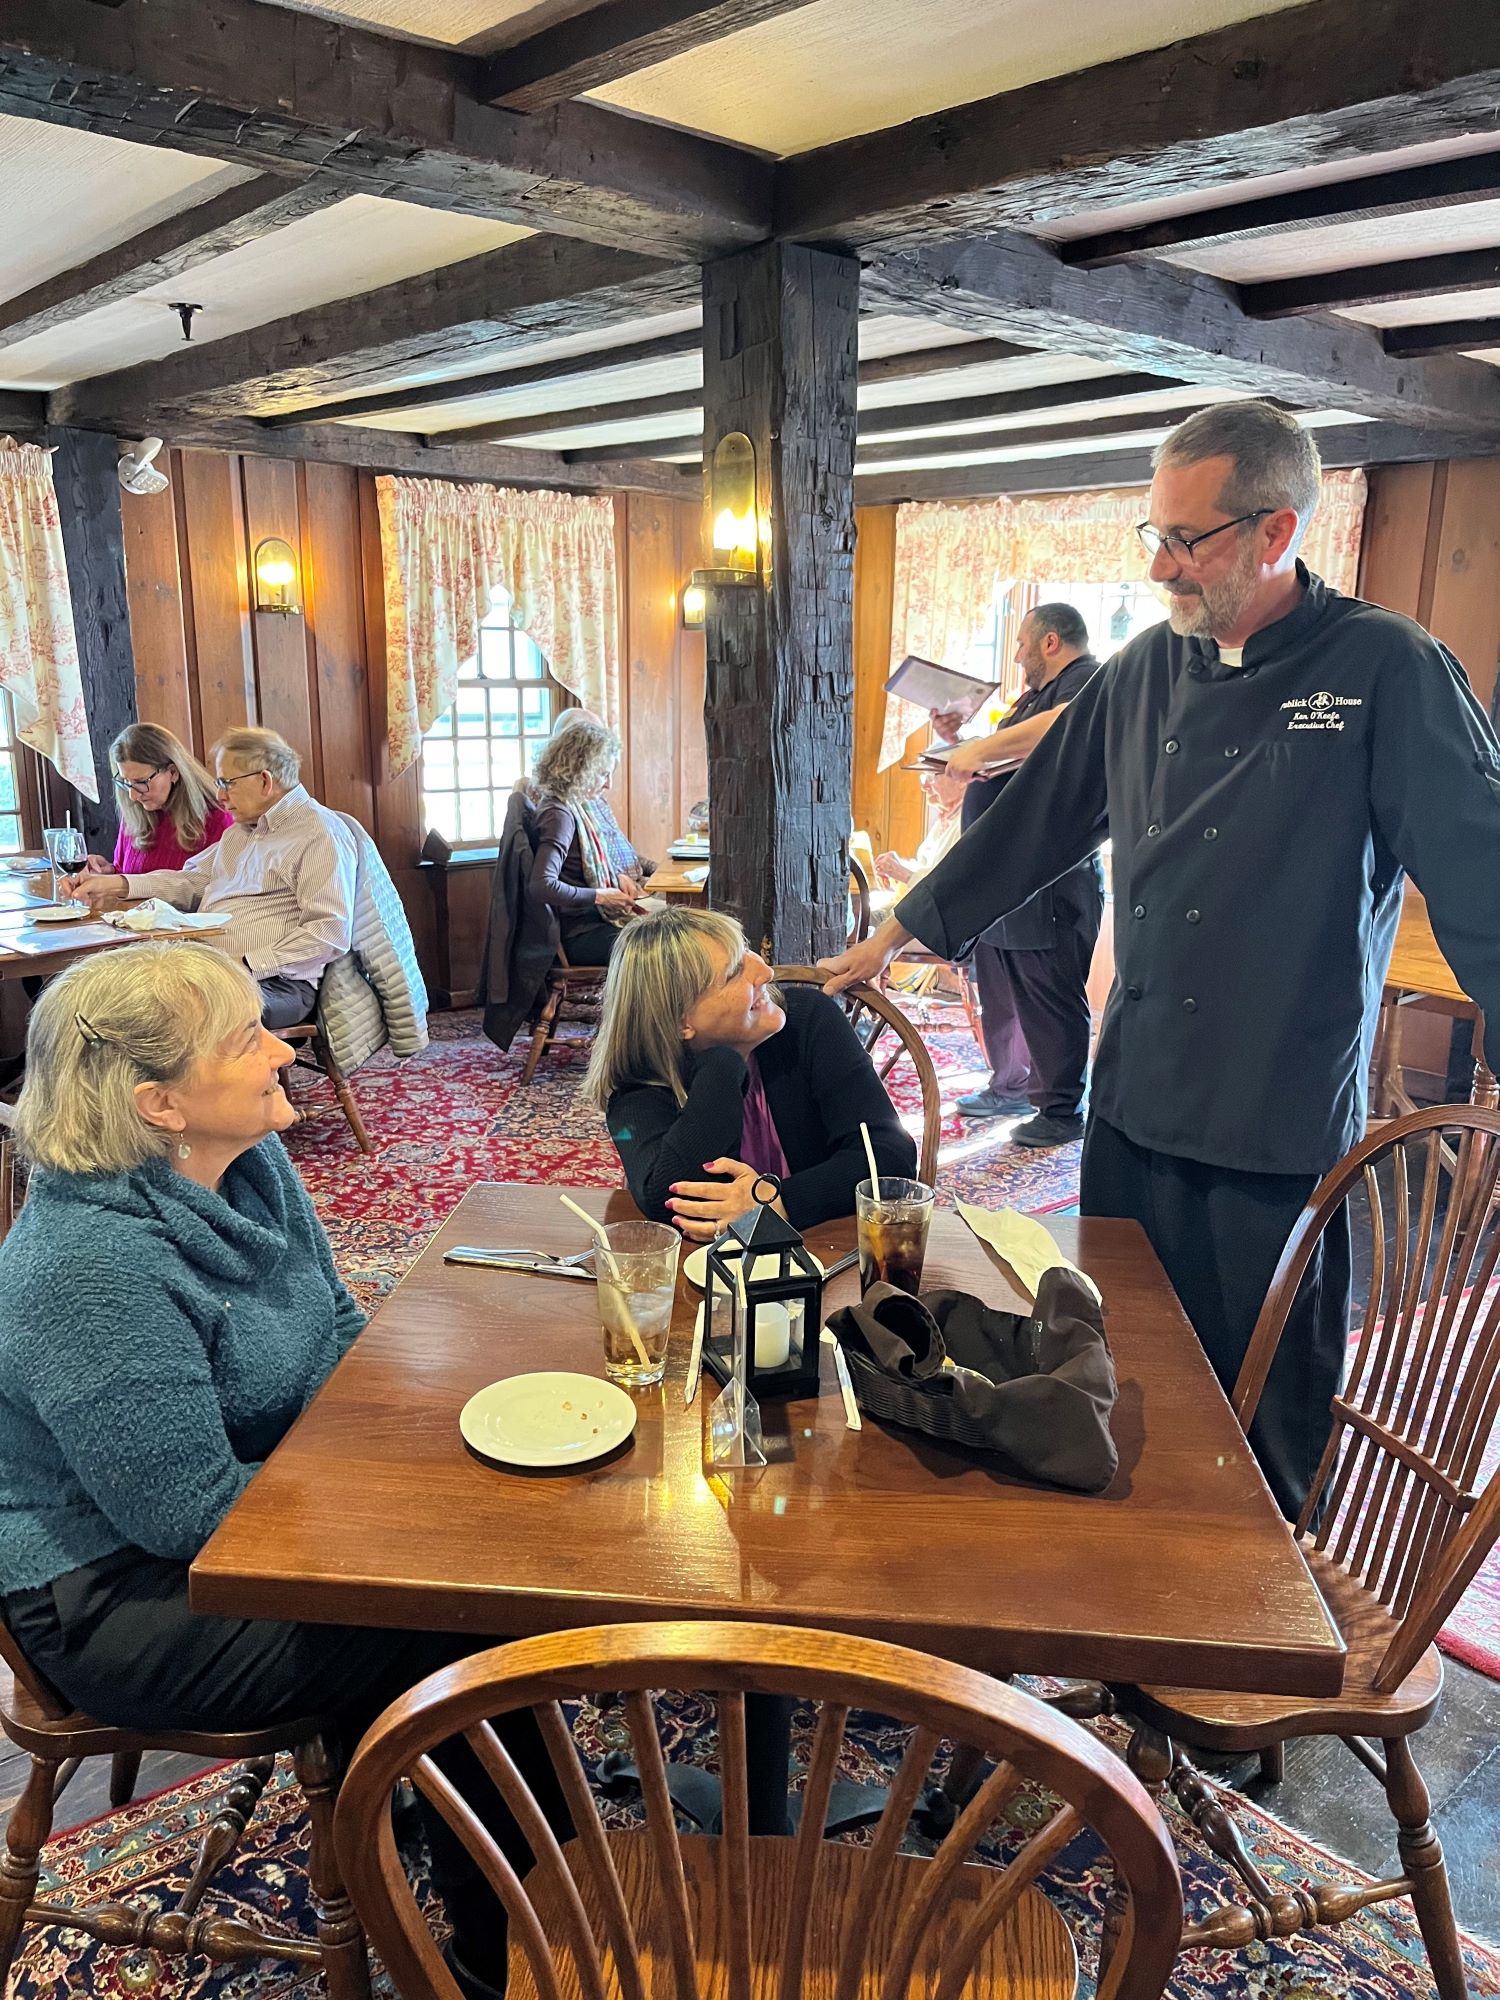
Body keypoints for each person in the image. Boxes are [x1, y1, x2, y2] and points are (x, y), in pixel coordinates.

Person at [819, 400, 1500, 1521]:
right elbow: (1033, 820)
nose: (1164, 566)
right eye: (1155, 536)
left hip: (1274, 1108)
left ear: (1278, 531)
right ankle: (1131, 1616)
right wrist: (898, 930)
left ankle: (1263, 1601)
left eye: (1190, 539)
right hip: (1135, 1098)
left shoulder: (1385, 668)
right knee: (1118, 1360)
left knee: (1259, 1387)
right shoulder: (1141, 669)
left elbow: (1481, 864)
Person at [0, 941, 569, 2000]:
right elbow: (185, 1516)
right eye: (245, 1037)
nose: (282, 1044)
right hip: (111, 1588)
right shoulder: (88, 1266)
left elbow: (338, 1332)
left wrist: (430, 1444)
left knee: (495, 1537)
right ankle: (503, 1949)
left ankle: (458, 1822)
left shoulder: (249, 1163)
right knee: (469, 1615)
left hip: (255, 1506)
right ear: (159, 1102)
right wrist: (401, 1511)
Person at [585, 906, 917, 1238]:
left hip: (826, 1254)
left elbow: (890, 1157)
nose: (765, 972)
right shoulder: (639, 1088)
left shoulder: (808, 1022)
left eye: (747, 952)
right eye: (734, 971)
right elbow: (668, 1200)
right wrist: (723, 1064)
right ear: (681, 1022)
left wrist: (775, 1201)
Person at [940, 605, 1105, 1147]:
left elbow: (1054, 735)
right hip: (1005, 873)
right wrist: (959, 737)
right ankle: (1009, 1084)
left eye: (1021, 644)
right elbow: (1008, 761)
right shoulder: (1037, 694)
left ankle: (1060, 1109)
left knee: (1046, 990)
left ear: (1051, 642)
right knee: (1002, 984)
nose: (1016, 656)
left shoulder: (1087, 684)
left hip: (1049, 876)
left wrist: (979, 748)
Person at [66, 727, 357, 1032]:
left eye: (226, 783)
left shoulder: (318, 833)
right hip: (211, 968)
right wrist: (118, 884)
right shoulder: (240, 832)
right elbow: (190, 882)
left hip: (275, 984)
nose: (219, 795)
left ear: (265, 781)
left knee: (160, 1015)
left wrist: (244, 964)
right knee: (100, 992)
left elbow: (328, 932)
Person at [527, 715, 646, 968]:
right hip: (580, 934)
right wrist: (601, 896)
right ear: (580, 769)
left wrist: (615, 879)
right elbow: (541, 886)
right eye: (603, 774)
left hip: (591, 924)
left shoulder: (572, 806)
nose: (608, 784)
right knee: (666, 946)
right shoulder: (559, 814)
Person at [82, 722, 234, 876]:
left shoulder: (218, 821)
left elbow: (217, 890)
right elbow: (125, 873)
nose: (133, 796)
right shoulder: (135, 812)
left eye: (141, 782)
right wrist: (108, 872)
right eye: (126, 782)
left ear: (173, 772)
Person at [874, 764, 967, 889]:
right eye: (924, 778)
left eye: (931, 776)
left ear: (961, 780)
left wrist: (903, 874)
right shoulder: (943, 822)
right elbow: (926, 867)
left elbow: (945, 886)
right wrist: (897, 867)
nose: (924, 786)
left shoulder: (966, 823)